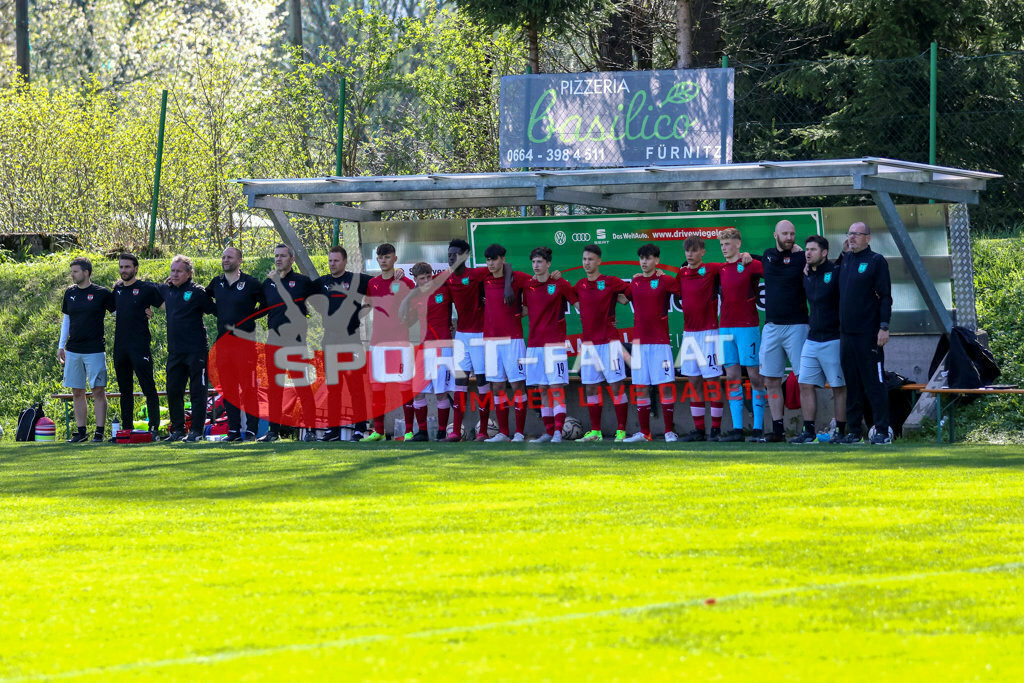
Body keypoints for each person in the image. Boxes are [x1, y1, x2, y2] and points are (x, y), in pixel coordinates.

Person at [444, 239, 512, 442]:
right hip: (461, 337)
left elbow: (507, 266)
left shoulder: (475, 274)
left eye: (455, 254)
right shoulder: (446, 279)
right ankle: (455, 431)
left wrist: (508, 288)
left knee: (483, 382)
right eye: (449, 254)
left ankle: (483, 431)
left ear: (465, 255)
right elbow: (446, 300)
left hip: (480, 336)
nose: (451, 258)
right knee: (460, 382)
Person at [837, 222, 893, 445]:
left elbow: (886, 297)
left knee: (874, 383)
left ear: (868, 238)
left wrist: (884, 327)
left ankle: (882, 430)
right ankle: (854, 431)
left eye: (857, 234)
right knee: (853, 384)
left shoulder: (876, 261)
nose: (852, 238)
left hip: (869, 335)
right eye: (849, 233)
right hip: (846, 335)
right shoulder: (846, 260)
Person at [257, 243, 317, 442]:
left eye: (283, 256)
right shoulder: (268, 283)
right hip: (273, 342)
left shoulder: (302, 282)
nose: (278, 259)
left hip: (296, 342)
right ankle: (273, 432)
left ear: (292, 259)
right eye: (276, 255)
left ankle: (310, 430)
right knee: (274, 389)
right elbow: (261, 309)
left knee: (303, 387)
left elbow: (322, 299)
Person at [790, 235, 847, 444]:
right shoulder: (806, 274)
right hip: (812, 339)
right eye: (806, 249)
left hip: (834, 339)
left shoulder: (835, 272)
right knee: (804, 384)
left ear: (824, 253)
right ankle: (808, 431)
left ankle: (840, 431)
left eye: (813, 249)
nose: (808, 253)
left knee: (839, 387)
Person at [312, 245, 372, 442]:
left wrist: (366, 308)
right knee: (333, 387)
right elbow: (304, 292)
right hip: (330, 340)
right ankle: (333, 430)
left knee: (355, 387)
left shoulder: (356, 279)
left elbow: (380, 283)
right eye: (330, 261)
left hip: (351, 340)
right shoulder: (322, 282)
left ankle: (359, 429)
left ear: (345, 261)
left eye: (336, 260)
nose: (332, 264)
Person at [622, 243, 681, 443]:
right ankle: (644, 433)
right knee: (641, 387)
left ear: (656, 260)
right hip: (638, 344)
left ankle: (668, 432)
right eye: (641, 259)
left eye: (648, 258)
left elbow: (684, 290)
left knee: (665, 386)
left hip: (660, 343)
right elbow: (622, 299)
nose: (644, 262)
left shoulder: (665, 280)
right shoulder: (635, 282)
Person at [756, 220, 808, 442]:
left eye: (792, 233)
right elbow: (772, 258)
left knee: (805, 378)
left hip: (798, 325)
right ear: (775, 235)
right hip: (772, 326)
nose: (789, 237)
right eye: (785, 233)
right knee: (771, 378)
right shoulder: (769, 255)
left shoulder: (802, 257)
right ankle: (778, 430)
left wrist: (803, 253)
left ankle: (809, 429)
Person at [205, 246, 264, 441]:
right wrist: (218, 312)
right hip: (223, 345)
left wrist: (250, 317)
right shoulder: (216, 283)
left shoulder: (251, 283)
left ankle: (252, 430)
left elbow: (266, 303)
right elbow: (203, 300)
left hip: (245, 344)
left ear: (239, 261)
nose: (225, 260)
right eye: (223, 257)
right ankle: (233, 430)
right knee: (228, 390)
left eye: (229, 257)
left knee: (249, 388)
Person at [573, 245, 631, 442]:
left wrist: (620, 300)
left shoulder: (610, 282)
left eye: (590, 259)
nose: (586, 263)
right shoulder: (579, 285)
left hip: (610, 343)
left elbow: (631, 292)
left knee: (616, 386)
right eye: (584, 259)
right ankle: (596, 432)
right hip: (589, 345)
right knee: (590, 387)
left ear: (599, 261)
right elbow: (568, 297)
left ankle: (621, 430)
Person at [361, 243, 416, 442]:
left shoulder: (405, 281)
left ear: (395, 258)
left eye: (387, 257)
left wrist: (410, 320)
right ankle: (379, 432)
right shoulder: (372, 283)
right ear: (377, 259)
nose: (383, 260)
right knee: (377, 388)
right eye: (380, 257)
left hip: (399, 342)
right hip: (378, 342)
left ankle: (409, 431)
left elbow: (418, 303)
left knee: (404, 387)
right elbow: (366, 306)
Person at [522, 247, 577, 443]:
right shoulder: (527, 285)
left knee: (555, 388)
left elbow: (579, 304)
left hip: (554, 345)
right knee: (542, 389)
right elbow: (524, 311)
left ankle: (558, 432)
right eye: (533, 262)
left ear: (548, 264)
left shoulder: (560, 283)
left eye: (539, 262)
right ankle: (548, 431)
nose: (536, 266)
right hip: (534, 345)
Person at [159, 255, 216, 442]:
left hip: (196, 350)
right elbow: (147, 292)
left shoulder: (197, 292)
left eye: (179, 271)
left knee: (197, 391)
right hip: (175, 351)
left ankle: (196, 431)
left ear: (189, 273)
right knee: (173, 390)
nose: (174, 274)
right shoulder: (167, 290)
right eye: (172, 270)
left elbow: (215, 310)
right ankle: (178, 430)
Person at [716, 229, 766, 442]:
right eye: (722, 245)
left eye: (728, 243)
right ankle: (737, 430)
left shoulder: (751, 264)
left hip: (747, 327)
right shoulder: (720, 269)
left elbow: (772, 266)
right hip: (725, 328)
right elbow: (687, 268)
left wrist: (751, 255)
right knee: (732, 378)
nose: (724, 248)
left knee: (755, 377)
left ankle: (757, 428)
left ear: (738, 243)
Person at [675, 236, 725, 442]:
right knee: (693, 381)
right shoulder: (681, 273)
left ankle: (715, 429)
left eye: (694, 250)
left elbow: (732, 266)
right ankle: (698, 430)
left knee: (712, 381)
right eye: (687, 251)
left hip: (710, 333)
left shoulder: (713, 269)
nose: (690, 254)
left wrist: (746, 255)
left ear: (702, 252)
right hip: (689, 335)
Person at [58, 257, 114, 443]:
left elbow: (118, 314)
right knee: (77, 392)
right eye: (71, 271)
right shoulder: (69, 293)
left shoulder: (101, 293)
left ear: (86, 272)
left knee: (98, 391)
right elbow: (66, 320)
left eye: (75, 271)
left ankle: (99, 432)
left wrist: (142, 313)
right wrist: (61, 346)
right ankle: (81, 432)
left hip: (95, 350)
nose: (72, 275)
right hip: (73, 350)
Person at [479, 243, 532, 443]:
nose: (490, 263)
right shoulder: (483, 277)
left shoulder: (517, 277)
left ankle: (519, 432)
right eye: (488, 260)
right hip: (491, 341)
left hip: (513, 340)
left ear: (502, 259)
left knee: (518, 385)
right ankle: (503, 432)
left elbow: (537, 282)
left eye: (494, 259)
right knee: (497, 386)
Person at [401, 261, 457, 441]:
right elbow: (406, 320)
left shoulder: (443, 288)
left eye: (428, 277)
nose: (426, 281)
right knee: (417, 391)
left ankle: (441, 431)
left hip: (443, 346)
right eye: (422, 278)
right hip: (424, 348)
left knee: (441, 392)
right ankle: (423, 432)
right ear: (415, 280)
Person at [110, 253, 163, 439]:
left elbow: (166, 305)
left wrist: (151, 313)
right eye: (121, 267)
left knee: (149, 388)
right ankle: (126, 430)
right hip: (120, 348)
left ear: (136, 268)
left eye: (127, 267)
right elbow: (113, 309)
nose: (124, 270)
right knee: (125, 391)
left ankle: (154, 429)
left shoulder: (146, 288)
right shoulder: (116, 289)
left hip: (139, 346)